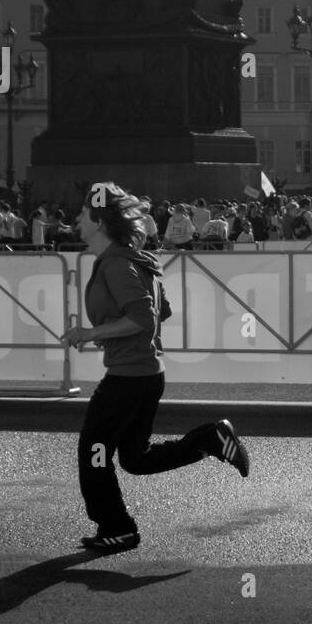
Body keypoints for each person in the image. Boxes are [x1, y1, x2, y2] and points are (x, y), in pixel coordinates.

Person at [60, 182, 250, 553]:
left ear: (98, 221)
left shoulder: (116, 263)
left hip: (128, 378)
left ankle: (117, 526)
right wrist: (112, 334)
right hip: (146, 374)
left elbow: (145, 316)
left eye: (82, 215)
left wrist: (91, 331)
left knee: (93, 451)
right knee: (135, 459)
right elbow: (161, 311)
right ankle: (210, 439)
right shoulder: (135, 259)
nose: (76, 222)